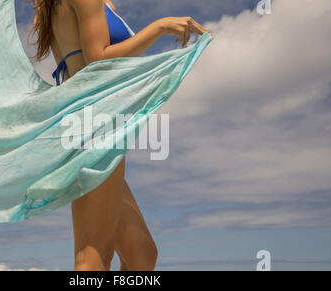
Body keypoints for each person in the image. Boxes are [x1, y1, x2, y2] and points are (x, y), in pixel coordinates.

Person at [27, 0, 211, 271]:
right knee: (93, 255)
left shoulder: (53, 5)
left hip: (87, 122)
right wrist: (159, 27)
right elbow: (99, 58)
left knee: (142, 256)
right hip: (93, 123)